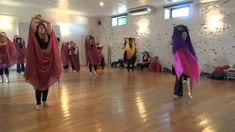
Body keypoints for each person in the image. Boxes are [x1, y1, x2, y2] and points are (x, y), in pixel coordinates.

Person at [24, 15, 62, 109]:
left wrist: (42, 19)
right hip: (38, 63)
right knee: (39, 84)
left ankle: (44, 101)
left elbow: (49, 23)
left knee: (46, 83)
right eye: (39, 27)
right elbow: (32, 22)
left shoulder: (48, 35)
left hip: (48, 63)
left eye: (42, 27)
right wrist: (35, 17)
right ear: (37, 29)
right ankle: (38, 103)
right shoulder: (35, 36)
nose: (41, 29)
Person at [172, 25, 200, 99]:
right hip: (178, 64)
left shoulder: (187, 44)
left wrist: (194, 60)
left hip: (187, 64)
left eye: (186, 34)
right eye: (184, 34)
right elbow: (176, 56)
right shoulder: (177, 45)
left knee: (190, 77)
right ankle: (177, 93)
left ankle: (190, 92)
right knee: (178, 79)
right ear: (180, 35)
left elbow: (191, 53)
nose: (186, 35)